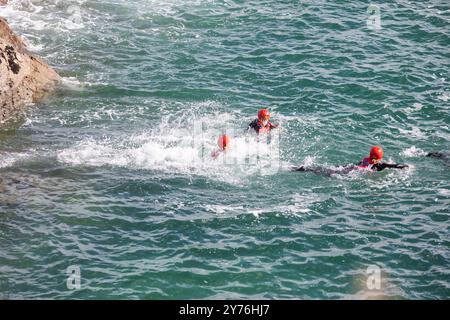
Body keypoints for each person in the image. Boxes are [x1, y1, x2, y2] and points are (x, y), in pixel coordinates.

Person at [292, 146, 408, 175]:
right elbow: (392, 165)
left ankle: (303, 168)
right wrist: (404, 166)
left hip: (350, 168)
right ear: (379, 158)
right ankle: (305, 169)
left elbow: (356, 164)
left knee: (327, 169)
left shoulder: (366, 159)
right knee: (327, 172)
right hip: (352, 173)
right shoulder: (379, 165)